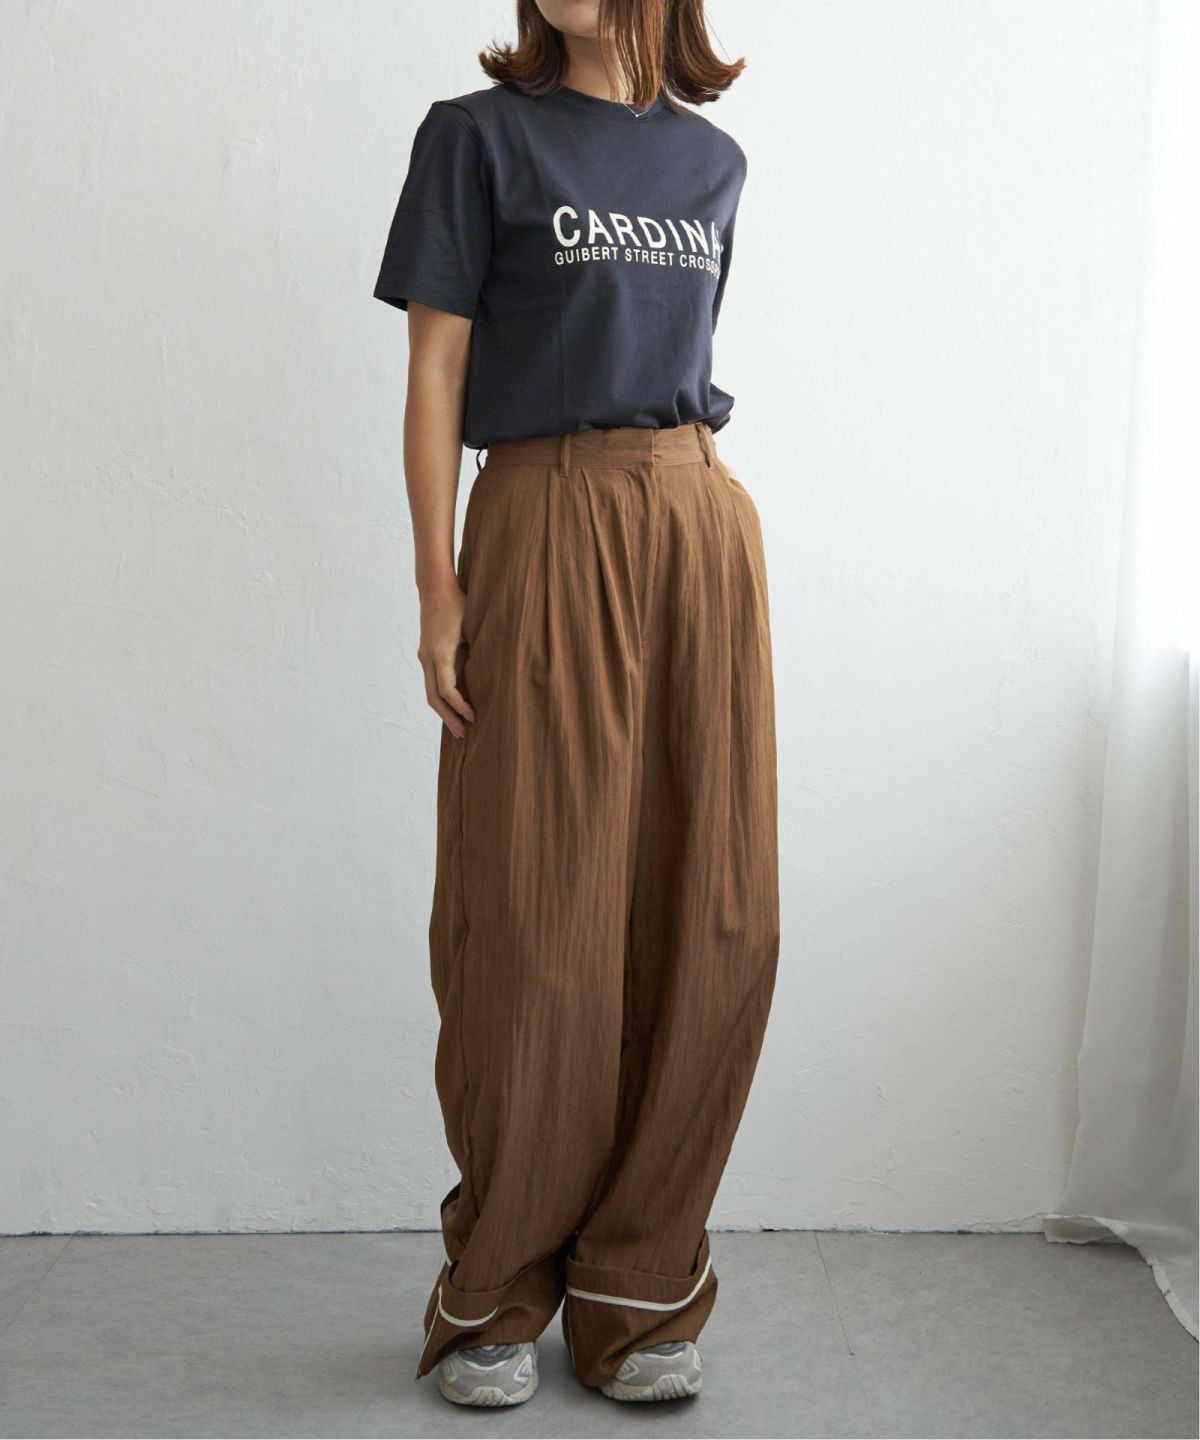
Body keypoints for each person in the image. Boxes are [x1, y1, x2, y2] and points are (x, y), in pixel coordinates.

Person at [373, 0, 779, 1409]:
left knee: (713, 917)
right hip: (544, 518)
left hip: (697, 524)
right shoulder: (477, 139)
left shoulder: (712, 164)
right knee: (537, 915)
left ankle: (636, 1286)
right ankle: (494, 1290)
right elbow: (436, 366)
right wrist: (438, 583)